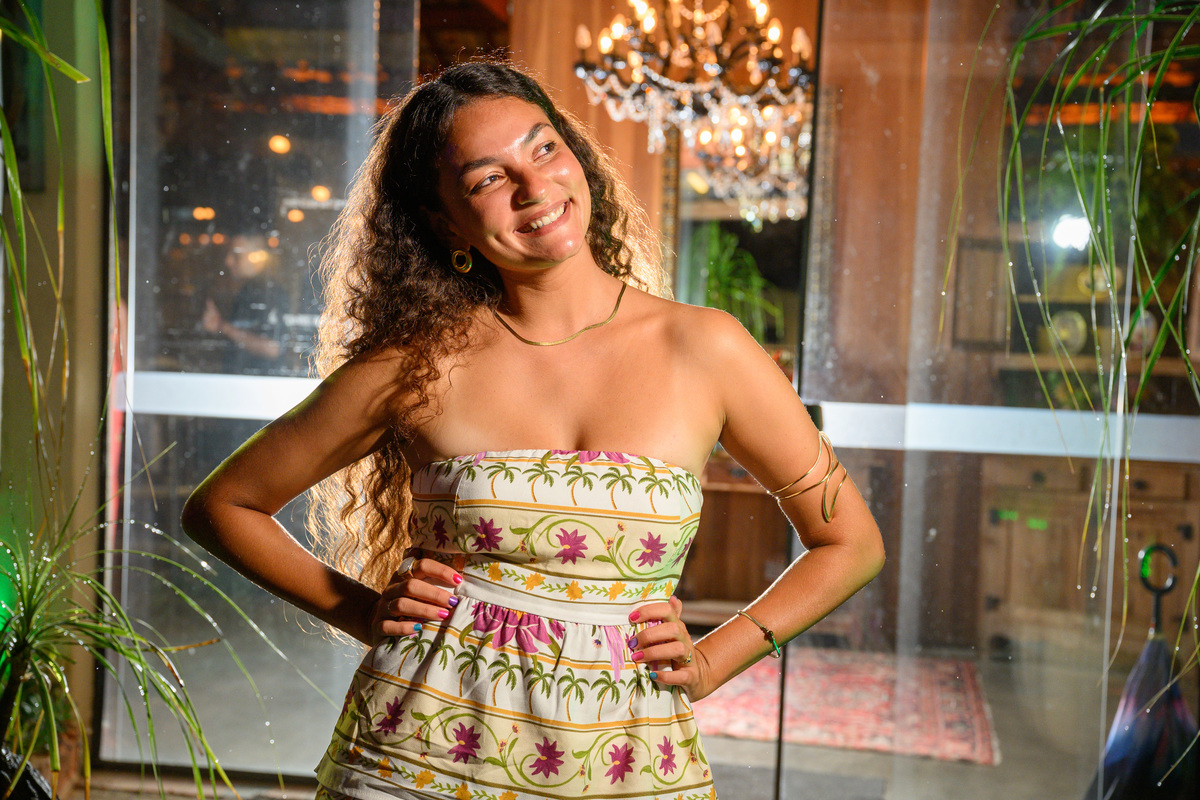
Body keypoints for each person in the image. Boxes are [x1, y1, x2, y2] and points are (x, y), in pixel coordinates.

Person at [181, 61, 885, 800]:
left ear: (576, 156)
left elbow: (851, 543)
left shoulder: (708, 348)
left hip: (630, 767)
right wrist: (361, 611)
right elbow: (223, 505)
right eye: (488, 178)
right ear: (445, 222)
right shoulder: (416, 363)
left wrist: (717, 657)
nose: (533, 186)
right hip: (414, 764)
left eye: (544, 147)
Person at [200, 232, 289, 374]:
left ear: (256, 257)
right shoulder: (248, 290)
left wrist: (222, 326)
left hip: (258, 380)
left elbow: (273, 348)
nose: (228, 261)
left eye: (236, 255)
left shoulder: (269, 292)